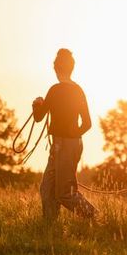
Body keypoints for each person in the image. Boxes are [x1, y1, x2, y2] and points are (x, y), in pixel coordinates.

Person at [32, 48, 97, 221]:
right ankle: (50, 228)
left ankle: (94, 217)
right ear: (71, 68)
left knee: (64, 194)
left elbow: (38, 118)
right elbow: (88, 123)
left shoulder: (54, 90)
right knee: (47, 188)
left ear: (55, 68)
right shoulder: (78, 90)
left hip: (65, 146)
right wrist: (74, 133)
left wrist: (36, 105)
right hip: (66, 145)